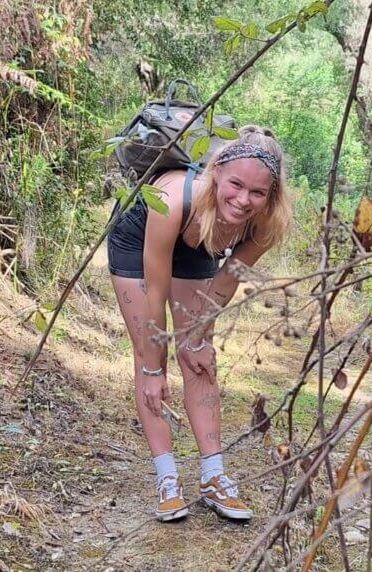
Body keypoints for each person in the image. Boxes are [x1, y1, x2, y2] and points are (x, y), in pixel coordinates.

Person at [106, 125, 290, 522]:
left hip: (200, 241)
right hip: (140, 240)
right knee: (148, 354)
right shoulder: (172, 200)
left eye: (257, 193)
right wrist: (155, 368)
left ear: (270, 196)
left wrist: (198, 336)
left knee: (200, 358)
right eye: (236, 185)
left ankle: (213, 476)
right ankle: (167, 478)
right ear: (216, 170)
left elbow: (225, 283)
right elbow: (155, 296)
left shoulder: (265, 225)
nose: (243, 200)